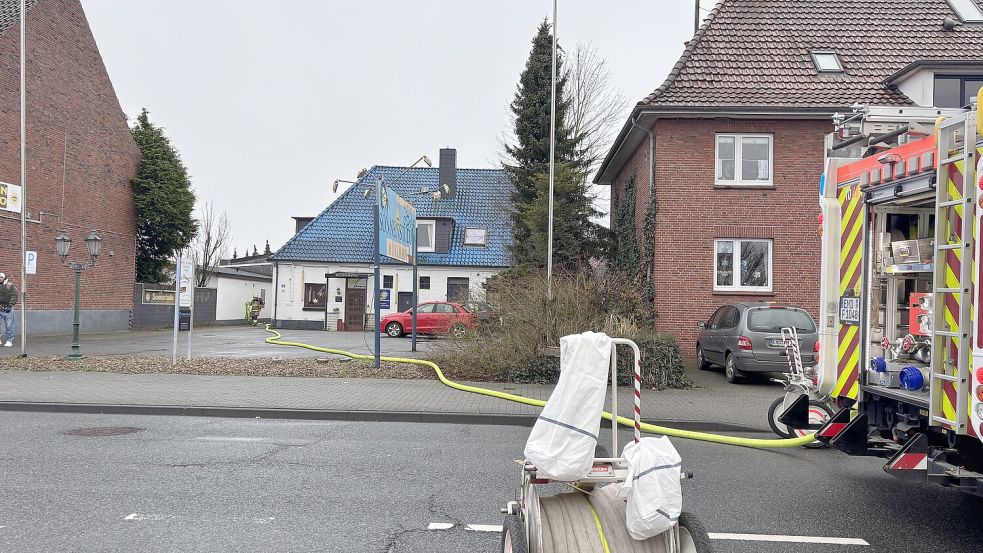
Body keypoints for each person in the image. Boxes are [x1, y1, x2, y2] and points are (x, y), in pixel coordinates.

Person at [0, 272, 17, 347]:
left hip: (8, 308)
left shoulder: (10, 286)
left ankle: (9, 341)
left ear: (4, 278)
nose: (0, 279)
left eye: (1, 277)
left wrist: (10, 305)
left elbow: (15, 295)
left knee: (9, 325)